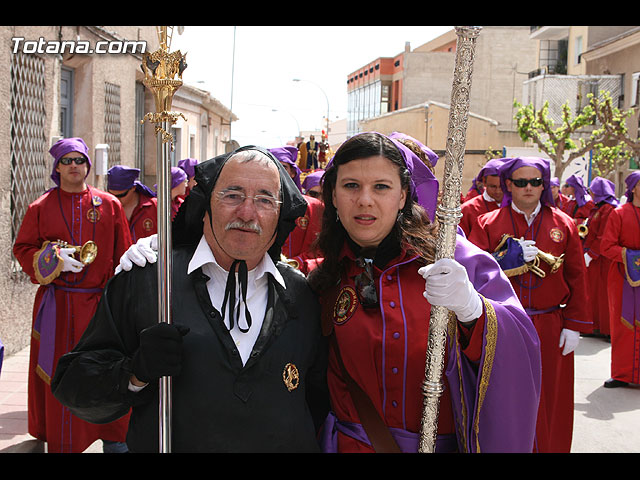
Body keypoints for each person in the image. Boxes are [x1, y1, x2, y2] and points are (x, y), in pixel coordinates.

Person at [51, 145, 330, 452]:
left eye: (264, 199)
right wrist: (134, 372)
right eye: (232, 195)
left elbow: (319, 402)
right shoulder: (149, 281)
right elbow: (74, 386)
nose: (247, 212)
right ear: (206, 204)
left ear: (280, 214)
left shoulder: (302, 296)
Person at [307, 132, 541, 453]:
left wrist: (474, 311)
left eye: (381, 186)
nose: (364, 200)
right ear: (332, 195)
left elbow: (522, 342)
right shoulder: (323, 277)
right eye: (350, 186)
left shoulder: (455, 260)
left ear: (403, 196)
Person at [12, 138, 132, 453]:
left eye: (79, 160)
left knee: (103, 366)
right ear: (57, 167)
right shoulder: (41, 206)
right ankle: (63, 438)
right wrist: (52, 258)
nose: (74, 166)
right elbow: (22, 250)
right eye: (67, 161)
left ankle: (111, 434)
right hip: (58, 304)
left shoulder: (109, 205)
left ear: (88, 165)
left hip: (98, 303)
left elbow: (124, 255)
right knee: (59, 369)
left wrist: (122, 300)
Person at [468, 156, 591, 453]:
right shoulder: (487, 223)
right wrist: (503, 260)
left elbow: (577, 276)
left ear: (544, 185)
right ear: (509, 184)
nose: (528, 188)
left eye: (535, 182)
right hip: (502, 325)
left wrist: (574, 325)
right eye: (520, 182)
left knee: (552, 399)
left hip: (550, 325)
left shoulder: (564, 224)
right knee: (505, 398)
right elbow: (470, 273)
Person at [600, 171, 640, 388]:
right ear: (633, 188)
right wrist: (633, 257)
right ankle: (621, 374)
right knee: (622, 325)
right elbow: (606, 246)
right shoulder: (619, 213)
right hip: (622, 278)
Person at [269, 145, 324, 275]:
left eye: (283, 167)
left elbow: (320, 248)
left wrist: (293, 264)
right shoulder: (253, 205)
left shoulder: (313, 206)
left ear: (293, 172)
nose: (278, 171)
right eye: (272, 165)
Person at [583, 177, 619, 337]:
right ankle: (595, 325)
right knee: (594, 293)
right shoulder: (598, 208)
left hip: (603, 259)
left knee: (604, 294)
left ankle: (607, 329)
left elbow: (604, 235)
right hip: (595, 258)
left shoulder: (608, 209)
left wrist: (591, 254)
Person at [107, 165, 158, 242]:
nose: (116, 200)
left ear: (133, 188)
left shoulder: (154, 207)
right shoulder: (107, 208)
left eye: (121, 195)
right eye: (112, 195)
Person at [459, 158, 504, 236]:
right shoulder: (467, 210)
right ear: (484, 182)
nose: (498, 191)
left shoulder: (515, 207)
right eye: (493, 187)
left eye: (502, 187)